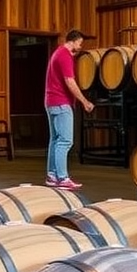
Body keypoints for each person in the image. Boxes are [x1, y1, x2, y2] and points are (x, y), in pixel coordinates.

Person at [44, 29, 94, 190]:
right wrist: (84, 101)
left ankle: (52, 175)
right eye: (79, 43)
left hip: (51, 101)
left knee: (55, 140)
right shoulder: (65, 55)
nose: (80, 47)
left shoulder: (57, 53)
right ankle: (62, 178)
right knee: (65, 141)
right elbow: (70, 82)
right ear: (73, 41)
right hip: (61, 102)